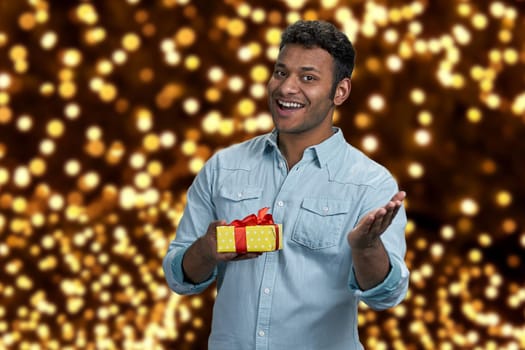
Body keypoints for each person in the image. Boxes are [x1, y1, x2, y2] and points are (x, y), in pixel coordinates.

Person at [163, 20, 410, 350]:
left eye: (308, 78)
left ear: (340, 91)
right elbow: (179, 277)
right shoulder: (223, 167)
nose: (286, 88)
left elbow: (386, 296)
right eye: (281, 73)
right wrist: (206, 250)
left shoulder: (370, 182)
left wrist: (366, 248)